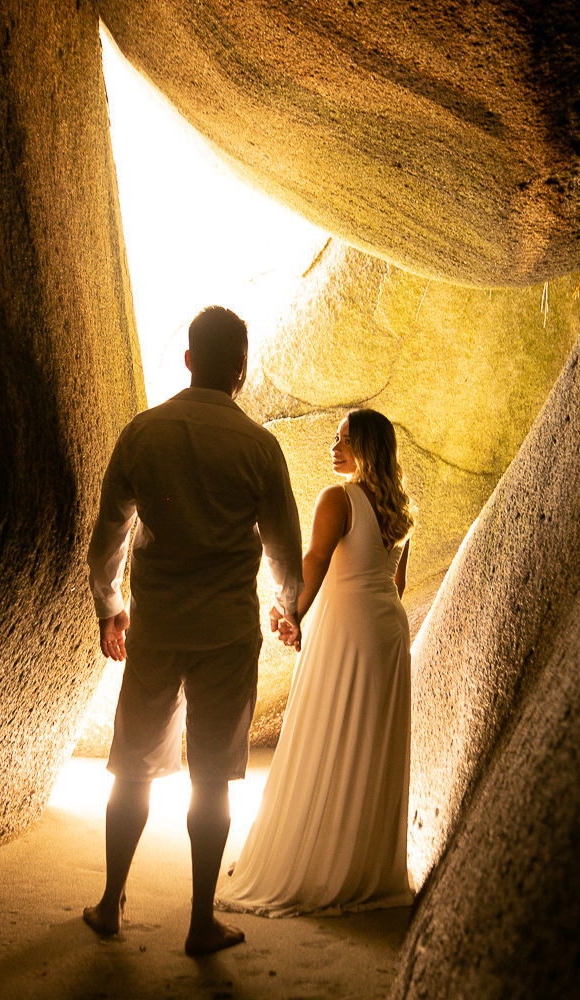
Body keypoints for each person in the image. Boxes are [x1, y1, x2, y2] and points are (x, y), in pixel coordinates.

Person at [83, 306, 303, 954]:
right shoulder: (259, 446)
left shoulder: (143, 433)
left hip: (157, 625)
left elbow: (107, 539)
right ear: (241, 367)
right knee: (212, 781)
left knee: (130, 770)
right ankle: (201, 921)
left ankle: (109, 902)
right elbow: (283, 550)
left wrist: (109, 606)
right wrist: (287, 606)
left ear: (186, 360)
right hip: (227, 635)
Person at [216, 408, 415, 916]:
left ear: (368, 447)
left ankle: (309, 864)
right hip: (388, 633)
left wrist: (290, 613)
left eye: (345, 439)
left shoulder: (339, 498)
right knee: (368, 744)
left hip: (348, 631)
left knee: (327, 735)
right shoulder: (402, 509)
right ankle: (359, 866)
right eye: (335, 437)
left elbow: (316, 561)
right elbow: (396, 585)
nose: (334, 446)